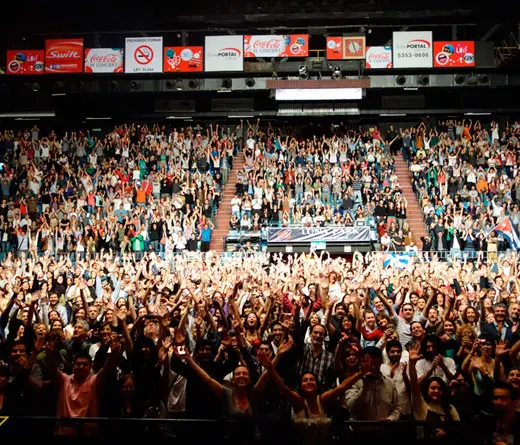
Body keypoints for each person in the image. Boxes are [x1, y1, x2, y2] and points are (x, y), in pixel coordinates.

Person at [408, 342, 460, 438]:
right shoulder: (421, 404)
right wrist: (411, 364)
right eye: (433, 388)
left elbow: (458, 429)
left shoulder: (449, 408)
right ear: (427, 390)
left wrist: (446, 434)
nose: (436, 391)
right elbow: (414, 386)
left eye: (439, 389)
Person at [344, 346, 402, 421]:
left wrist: (390, 419)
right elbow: (351, 406)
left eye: (376, 363)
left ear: (381, 362)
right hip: (361, 430)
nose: (373, 367)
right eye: (370, 364)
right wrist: (365, 385)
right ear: (362, 362)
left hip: (385, 430)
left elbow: (397, 408)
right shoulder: (354, 382)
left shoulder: (389, 383)